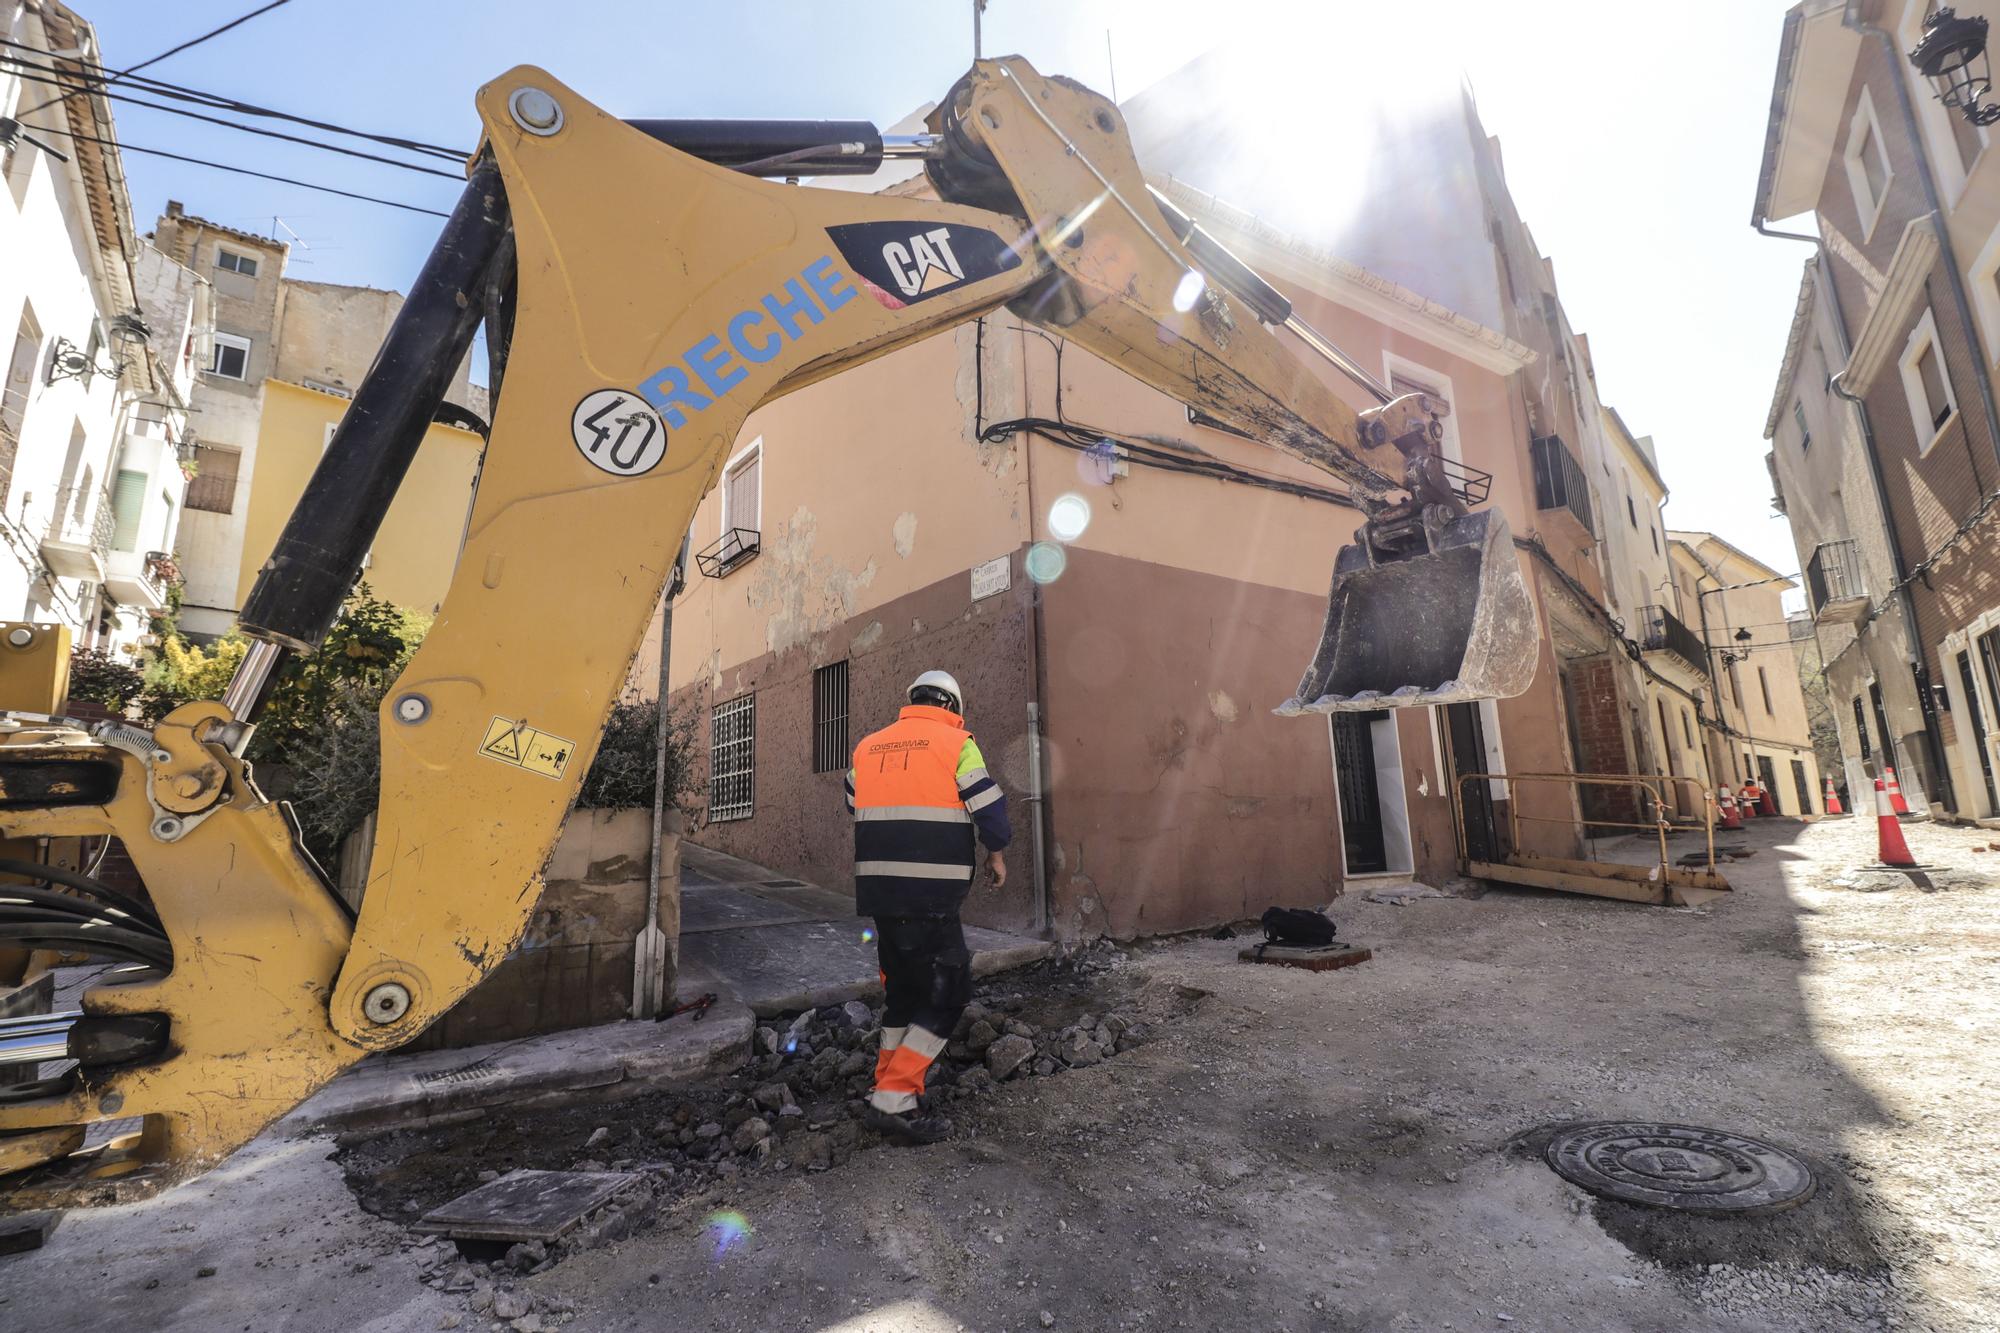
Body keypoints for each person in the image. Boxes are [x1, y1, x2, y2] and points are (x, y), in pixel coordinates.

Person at [845, 669, 1010, 1144]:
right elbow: (991, 811)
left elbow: (852, 801)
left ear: (912, 700)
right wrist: (995, 854)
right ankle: (894, 1098)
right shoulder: (958, 744)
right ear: (953, 708)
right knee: (948, 992)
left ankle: (886, 1085)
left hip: (880, 893)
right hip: (932, 894)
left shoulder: (867, 746)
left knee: (903, 992)